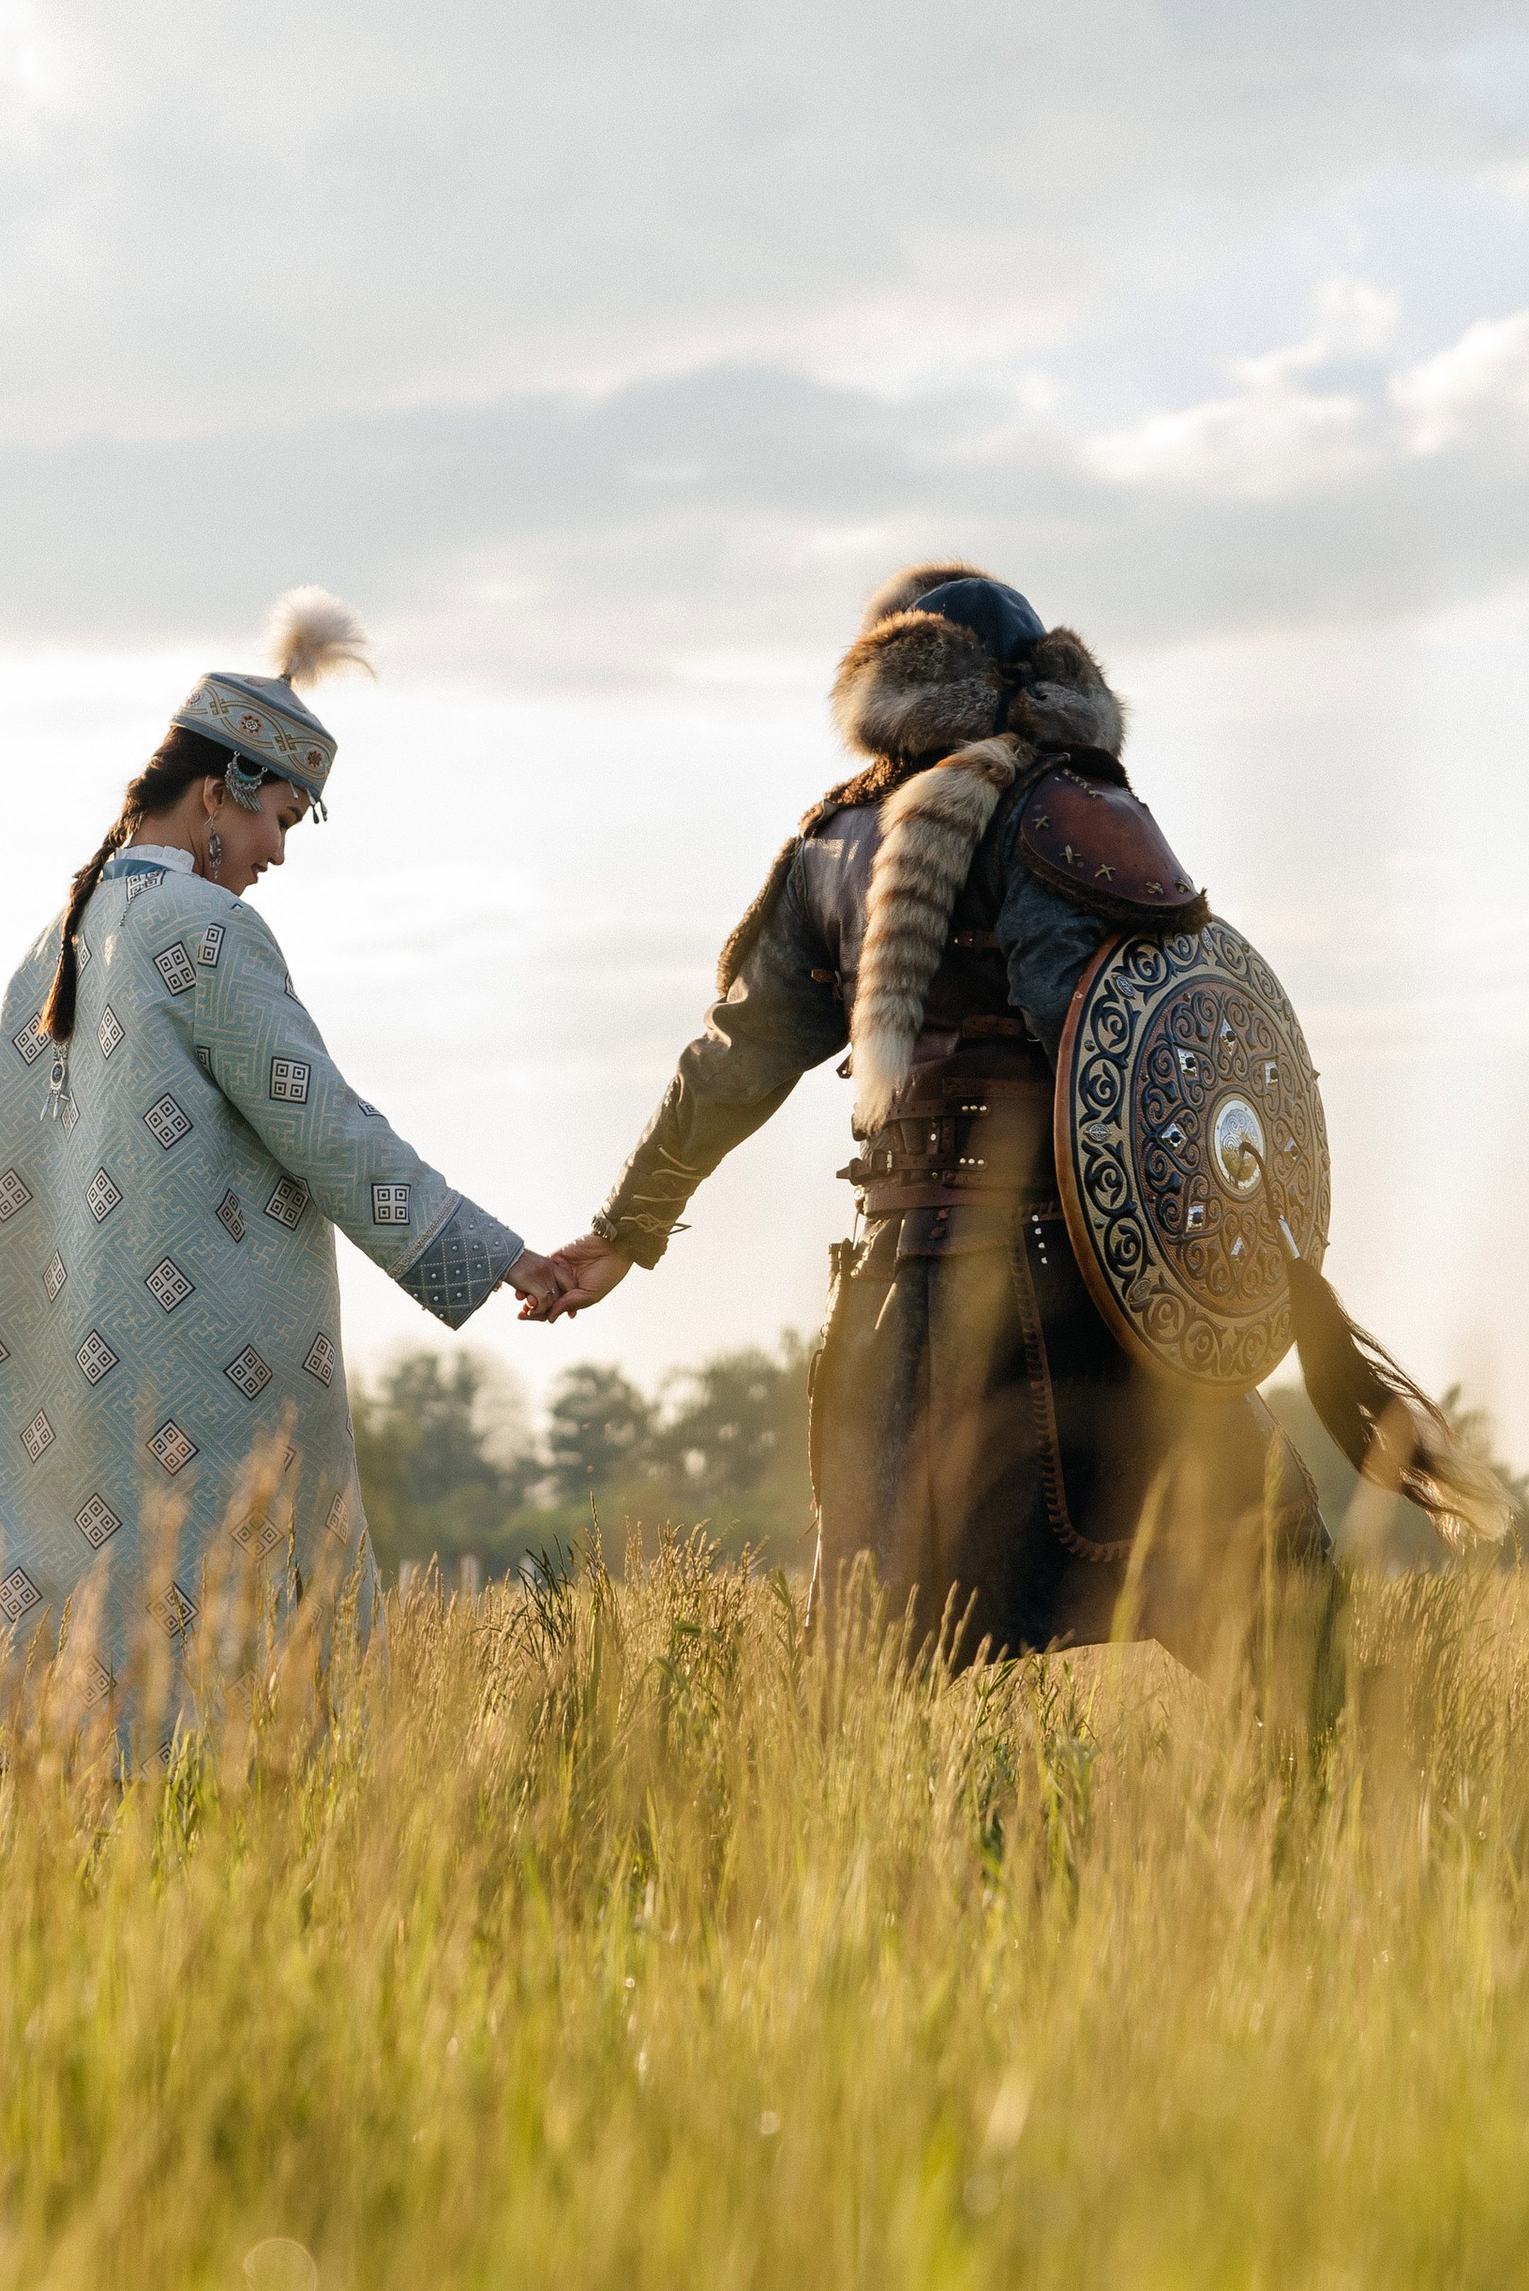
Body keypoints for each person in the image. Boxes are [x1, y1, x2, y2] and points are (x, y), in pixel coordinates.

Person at [542, 563, 1340, 1683]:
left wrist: (628, 1227)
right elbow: (1110, 1041)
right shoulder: (1065, 816)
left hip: (890, 1293)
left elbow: (732, 1058)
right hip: (1073, 1281)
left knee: (866, 1668)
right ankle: (1318, 1833)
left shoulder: (831, 843)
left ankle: (863, 1861)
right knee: (1280, 1595)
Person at [0, 593, 560, 1751]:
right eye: (280, 819)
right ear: (221, 792)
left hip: (56, 1374)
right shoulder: (201, 927)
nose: (278, 853)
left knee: (71, 1656)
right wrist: (497, 1257)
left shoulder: (58, 936)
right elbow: (323, 1125)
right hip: (195, 1375)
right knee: (217, 1679)